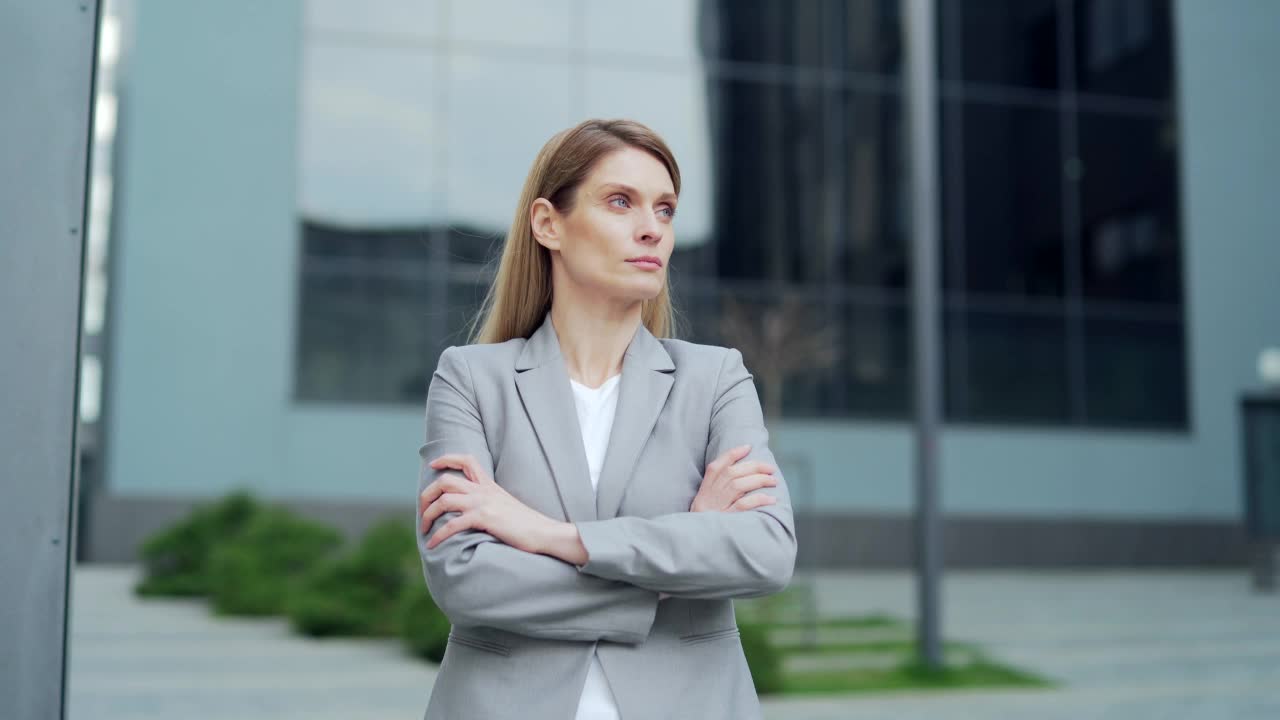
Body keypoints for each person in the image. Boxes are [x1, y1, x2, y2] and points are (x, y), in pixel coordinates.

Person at [415, 118, 796, 720]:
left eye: (666, 210)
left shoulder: (716, 378)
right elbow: (465, 580)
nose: (652, 228)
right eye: (621, 202)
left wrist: (548, 536)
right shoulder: (470, 379)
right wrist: (677, 562)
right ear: (548, 223)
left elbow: (767, 552)